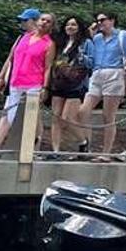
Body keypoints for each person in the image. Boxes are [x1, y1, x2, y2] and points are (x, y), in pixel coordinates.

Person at [0, 8, 55, 153]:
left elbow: (47, 67)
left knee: (32, 115)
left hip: (34, 83)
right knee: (11, 113)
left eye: (48, 21)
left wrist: (45, 87)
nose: (44, 23)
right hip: (16, 81)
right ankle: (1, 145)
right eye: (42, 20)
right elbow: (11, 57)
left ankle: (33, 144)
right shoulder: (23, 37)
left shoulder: (49, 44)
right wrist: (1, 77)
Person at [80, 11, 126, 160]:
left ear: (112, 20)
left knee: (108, 116)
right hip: (97, 73)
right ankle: (86, 146)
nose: (99, 23)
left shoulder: (123, 36)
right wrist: (90, 34)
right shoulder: (97, 38)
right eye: (97, 20)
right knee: (83, 111)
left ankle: (106, 152)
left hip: (114, 73)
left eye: (102, 20)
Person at [46, 15, 91, 155]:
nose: (70, 27)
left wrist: (81, 57)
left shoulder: (86, 43)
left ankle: (83, 141)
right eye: (67, 25)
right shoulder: (61, 43)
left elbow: (91, 63)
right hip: (59, 82)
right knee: (56, 118)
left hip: (75, 83)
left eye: (73, 25)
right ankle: (55, 151)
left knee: (68, 118)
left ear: (79, 27)